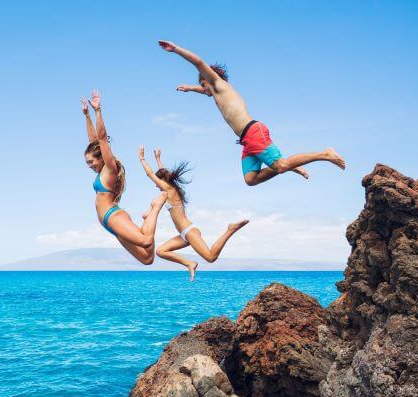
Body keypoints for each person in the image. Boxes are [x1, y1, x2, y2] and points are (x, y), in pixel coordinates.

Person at [158, 41, 345, 187]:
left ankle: (325, 154)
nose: (204, 89)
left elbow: (198, 62)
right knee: (251, 179)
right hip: (246, 140)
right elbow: (204, 91)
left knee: (281, 166)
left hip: (254, 132)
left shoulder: (218, 84)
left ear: (207, 79)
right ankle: (289, 166)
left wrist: (176, 49)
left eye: (203, 84)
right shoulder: (215, 91)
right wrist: (191, 88)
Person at [139, 146, 248, 282]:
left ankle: (230, 229)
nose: (156, 185)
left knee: (210, 257)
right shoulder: (168, 189)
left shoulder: (169, 189)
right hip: (183, 235)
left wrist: (142, 159)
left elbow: (150, 174)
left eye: (158, 182)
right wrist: (158, 159)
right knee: (161, 251)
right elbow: (164, 174)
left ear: (163, 181)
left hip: (189, 232)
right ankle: (189, 264)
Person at [83, 90, 166, 265]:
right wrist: (86, 116)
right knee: (147, 259)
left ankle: (155, 207)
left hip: (113, 217)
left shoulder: (110, 169)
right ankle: (147, 219)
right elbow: (94, 141)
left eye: (91, 162)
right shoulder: (101, 171)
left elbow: (102, 139)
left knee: (146, 241)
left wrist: (98, 111)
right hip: (110, 224)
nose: (89, 166)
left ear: (101, 158)